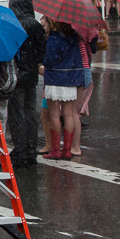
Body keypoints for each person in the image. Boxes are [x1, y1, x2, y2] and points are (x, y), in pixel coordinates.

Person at [8, 0, 46, 167]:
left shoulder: (13, 24)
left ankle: (20, 150)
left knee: (16, 114)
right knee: (30, 112)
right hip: (31, 74)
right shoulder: (36, 25)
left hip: (17, 73)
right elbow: (41, 51)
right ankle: (31, 149)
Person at [40, 19, 84, 160]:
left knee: (54, 114)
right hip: (70, 79)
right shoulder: (74, 36)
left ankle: (55, 150)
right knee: (69, 114)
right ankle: (67, 150)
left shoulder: (54, 37)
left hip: (55, 78)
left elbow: (50, 60)